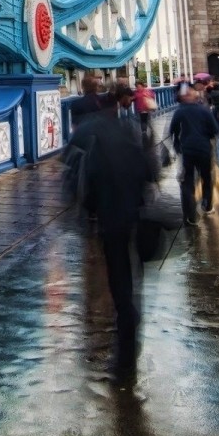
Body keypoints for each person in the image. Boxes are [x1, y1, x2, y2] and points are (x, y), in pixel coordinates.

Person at [68, 83, 157, 352]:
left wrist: (86, 209)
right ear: (116, 105)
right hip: (133, 209)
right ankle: (132, 306)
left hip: (107, 212)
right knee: (133, 262)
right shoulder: (130, 130)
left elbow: (77, 175)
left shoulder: (86, 133)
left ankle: (123, 310)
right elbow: (149, 168)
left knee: (116, 262)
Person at [167, 81, 219, 224]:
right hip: (204, 149)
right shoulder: (204, 110)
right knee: (206, 179)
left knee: (187, 182)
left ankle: (191, 215)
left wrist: (177, 145)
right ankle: (207, 206)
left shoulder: (179, 111)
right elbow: (215, 130)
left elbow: (172, 131)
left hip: (187, 152)